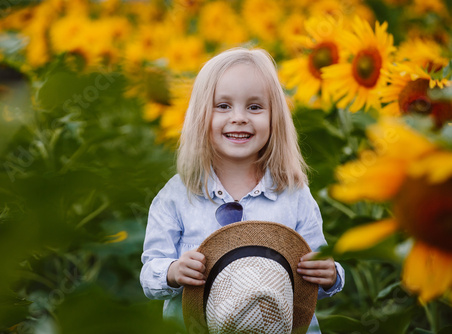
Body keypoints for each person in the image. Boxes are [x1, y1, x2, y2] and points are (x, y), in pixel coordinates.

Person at [140, 47, 344, 333]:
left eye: (255, 107)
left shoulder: (294, 194)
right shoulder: (177, 196)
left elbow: (312, 280)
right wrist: (173, 272)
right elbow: (150, 273)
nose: (239, 117)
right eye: (223, 106)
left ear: (275, 119)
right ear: (201, 116)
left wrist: (330, 275)